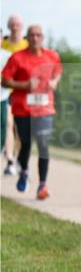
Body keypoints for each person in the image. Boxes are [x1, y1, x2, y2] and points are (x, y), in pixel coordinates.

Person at [1, 24, 62, 199]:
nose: (35, 38)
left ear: (43, 37)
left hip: (45, 107)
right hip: (23, 108)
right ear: (27, 38)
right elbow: (4, 81)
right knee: (26, 144)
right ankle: (24, 172)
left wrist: (55, 82)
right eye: (32, 35)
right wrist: (24, 85)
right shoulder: (17, 58)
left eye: (38, 35)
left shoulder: (52, 55)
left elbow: (58, 71)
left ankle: (43, 185)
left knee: (43, 143)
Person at [3, 14, 26, 175]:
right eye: (12, 24)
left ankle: (17, 158)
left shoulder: (26, 45)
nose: (15, 27)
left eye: (17, 24)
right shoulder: (3, 44)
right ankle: (10, 158)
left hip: (22, 91)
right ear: (8, 26)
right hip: (6, 91)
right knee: (8, 124)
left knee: (20, 127)